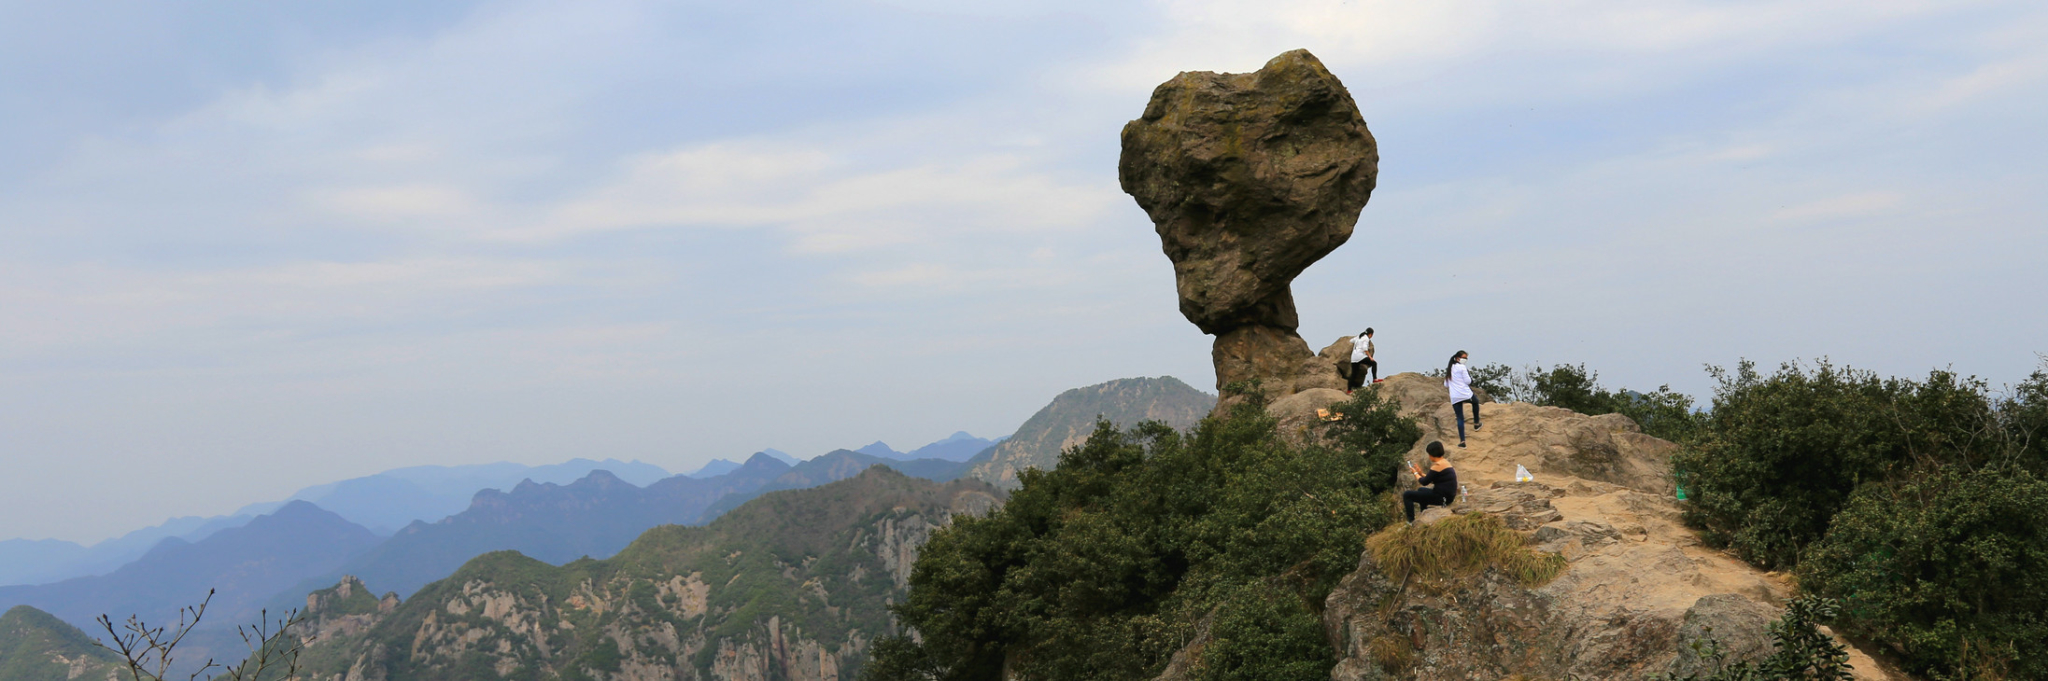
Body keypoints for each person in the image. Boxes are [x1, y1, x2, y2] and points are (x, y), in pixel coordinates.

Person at [1403, 441, 1458, 523]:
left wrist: (1414, 473)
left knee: (1407, 495)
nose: (1429, 456)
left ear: (1432, 454)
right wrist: (1421, 473)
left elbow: (1424, 482)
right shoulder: (1444, 463)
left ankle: (1411, 521)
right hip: (1446, 496)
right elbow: (1432, 479)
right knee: (1421, 490)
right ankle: (1424, 513)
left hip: (1442, 498)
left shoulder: (1437, 466)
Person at [1445, 350, 1481, 447]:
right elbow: (1468, 381)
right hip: (1465, 393)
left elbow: (1446, 384)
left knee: (1460, 418)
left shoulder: (1449, 368)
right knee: (1475, 402)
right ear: (1457, 358)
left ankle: (1462, 441)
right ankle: (1476, 423)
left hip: (1455, 396)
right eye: (1464, 358)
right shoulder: (1462, 367)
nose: (1465, 360)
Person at [1346, 328, 1379, 393]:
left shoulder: (1359, 336)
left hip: (1354, 357)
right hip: (1360, 356)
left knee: (1353, 374)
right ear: (1370, 334)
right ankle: (1375, 379)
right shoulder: (1366, 338)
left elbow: (1351, 341)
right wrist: (1370, 357)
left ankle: (1349, 390)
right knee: (1374, 363)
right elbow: (1365, 349)